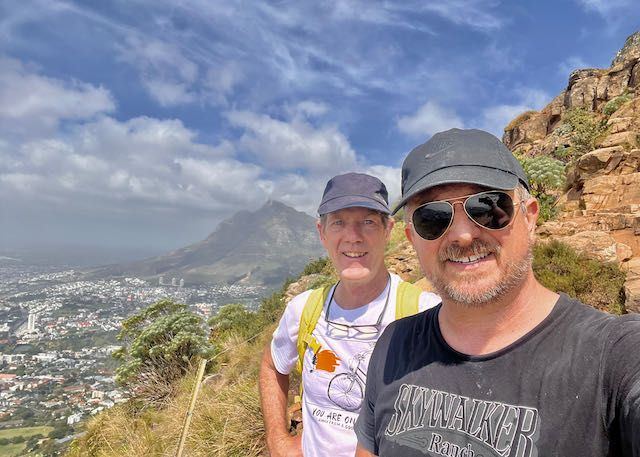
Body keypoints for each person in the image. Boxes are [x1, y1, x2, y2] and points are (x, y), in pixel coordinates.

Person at [354, 128, 640, 457]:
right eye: (432, 218)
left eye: (487, 207)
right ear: (412, 238)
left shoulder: (614, 356)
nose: (462, 235)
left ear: (530, 217)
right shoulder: (393, 345)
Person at [259, 172, 440, 457]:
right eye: (338, 222)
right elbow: (272, 366)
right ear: (322, 232)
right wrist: (277, 440)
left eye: (367, 222)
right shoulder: (304, 309)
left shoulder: (425, 313)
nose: (353, 237)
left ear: (388, 230)